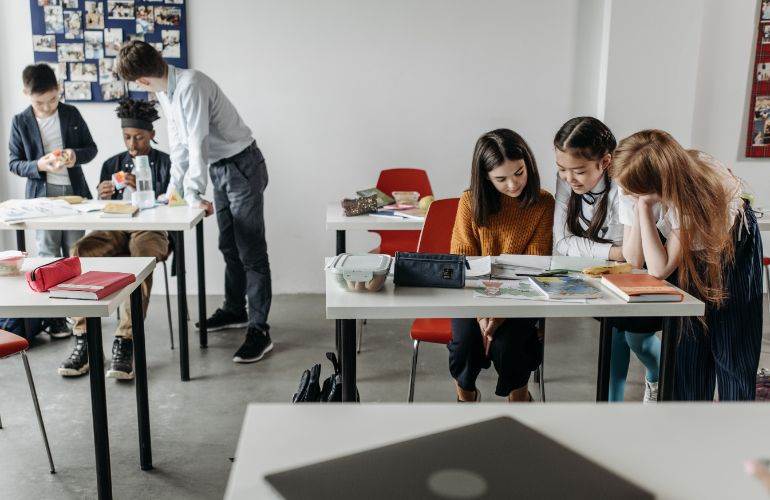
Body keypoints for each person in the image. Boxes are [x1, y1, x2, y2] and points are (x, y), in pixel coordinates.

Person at [114, 41, 273, 364]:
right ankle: (234, 310)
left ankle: (260, 330)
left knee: (251, 250)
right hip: (220, 167)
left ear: (141, 80)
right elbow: (180, 146)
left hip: (242, 164)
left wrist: (193, 193)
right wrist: (174, 192)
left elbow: (197, 140)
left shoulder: (191, 85)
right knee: (228, 245)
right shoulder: (165, 91)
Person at [612, 129, 763, 401]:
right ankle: (687, 425)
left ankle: (738, 425)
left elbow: (660, 269)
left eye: (631, 190)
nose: (623, 192)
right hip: (686, 250)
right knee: (687, 347)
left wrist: (644, 208)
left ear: (655, 186)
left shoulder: (692, 193)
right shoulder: (634, 183)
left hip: (732, 247)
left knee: (732, 347)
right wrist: (640, 206)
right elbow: (633, 258)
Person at [58, 99, 171, 379]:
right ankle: (84, 337)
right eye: (127, 137)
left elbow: (174, 202)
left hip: (151, 228)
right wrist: (103, 194)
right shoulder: (112, 163)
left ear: (152, 135)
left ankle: (126, 340)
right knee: (80, 251)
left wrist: (147, 188)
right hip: (116, 225)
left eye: (139, 137)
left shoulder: (166, 163)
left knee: (141, 261)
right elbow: (100, 210)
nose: (132, 144)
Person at [553, 116, 661, 402]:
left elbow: (635, 256)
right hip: (605, 272)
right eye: (561, 169)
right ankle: (611, 409)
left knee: (637, 340)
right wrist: (614, 252)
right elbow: (562, 242)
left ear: (605, 162)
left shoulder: (625, 185)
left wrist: (614, 252)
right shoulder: (567, 181)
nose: (568, 178)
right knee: (614, 339)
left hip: (647, 267)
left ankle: (658, 376)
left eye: (578, 171)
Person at [449, 129, 554, 402]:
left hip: (521, 297)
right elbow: (464, 264)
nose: (512, 184)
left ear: (527, 164)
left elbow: (533, 265)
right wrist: (482, 313)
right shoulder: (469, 202)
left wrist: (501, 312)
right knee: (465, 347)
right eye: (501, 178)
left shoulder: (543, 203)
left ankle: (519, 400)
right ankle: (465, 397)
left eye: (519, 172)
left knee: (511, 347)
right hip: (472, 298)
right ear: (485, 177)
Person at [8, 63, 97, 339]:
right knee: (47, 257)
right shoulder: (20, 121)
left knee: (74, 254)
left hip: (73, 196)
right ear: (26, 93)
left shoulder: (71, 113)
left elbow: (91, 149)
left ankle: (78, 316)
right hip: (41, 199)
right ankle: (54, 318)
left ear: (59, 90)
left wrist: (73, 155)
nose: (47, 107)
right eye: (40, 102)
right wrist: (39, 165)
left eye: (53, 100)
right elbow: (14, 162)